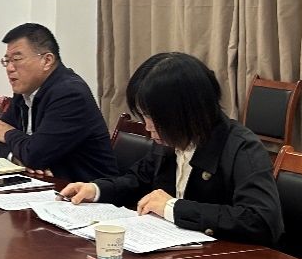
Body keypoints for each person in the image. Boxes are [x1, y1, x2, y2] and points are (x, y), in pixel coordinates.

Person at [60, 52, 283, 245]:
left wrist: (174, 208)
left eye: (152, 117)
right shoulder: (171, 140)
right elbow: (137, 180)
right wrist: (96, 190)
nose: (147, 127)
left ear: (184, 112)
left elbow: (261, 221)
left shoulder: (241, 147)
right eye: (144, 116)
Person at [0, 23, 118, 181]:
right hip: (40, 184)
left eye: (17, 59)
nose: (9, 68)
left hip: (85, 190)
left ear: (47, 61)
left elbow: (35, 155)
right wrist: (16, 159)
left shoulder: (70, 94)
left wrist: (8, 134)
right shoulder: (24, 91)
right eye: (7, 61)